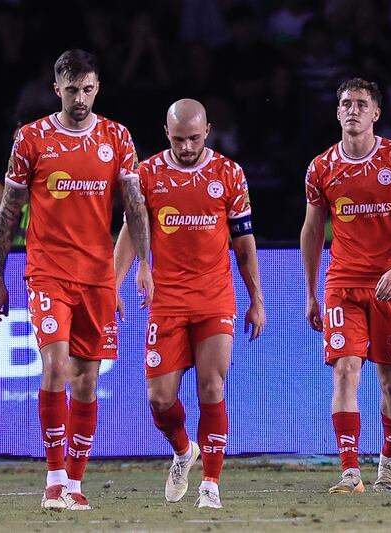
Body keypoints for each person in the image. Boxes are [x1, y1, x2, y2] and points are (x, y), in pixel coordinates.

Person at [0, 49, 152, 511]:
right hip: (48, 273)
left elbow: (135, 206)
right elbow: (9, 211)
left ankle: (76, 483)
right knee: (56, 367)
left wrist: (143, 265)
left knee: (85, 381)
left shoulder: (117, 137)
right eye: (71, 89)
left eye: (87, 88)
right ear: (56, 88)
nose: (79, 97)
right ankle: (54, 478)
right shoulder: (32, 139)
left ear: (97, 88)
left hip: (98, 277)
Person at [113, 98, 265, 509]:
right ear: (167, 134)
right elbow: (130, 231)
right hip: (166, 301)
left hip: (215, 296)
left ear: (208, 130)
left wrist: (256, 298)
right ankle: (183, 450)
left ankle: (211, 485)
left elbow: (244, 243)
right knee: (159, 399)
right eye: (178, 139)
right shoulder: (146, 175)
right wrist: (115, 283)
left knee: (212, 386)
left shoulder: (228, 174)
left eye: (194, 138)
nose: (186, 146)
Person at [300, 78, 391, 494]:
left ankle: (389, 462)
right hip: (343, 284)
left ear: (376, 113)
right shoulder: (321, 168)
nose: (352, 110)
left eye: (361, 104)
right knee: (345, 372)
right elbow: (313, 230)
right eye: (345, 103)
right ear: (337, 113)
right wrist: (311, 292)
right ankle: (350, 470)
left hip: (390, 284)